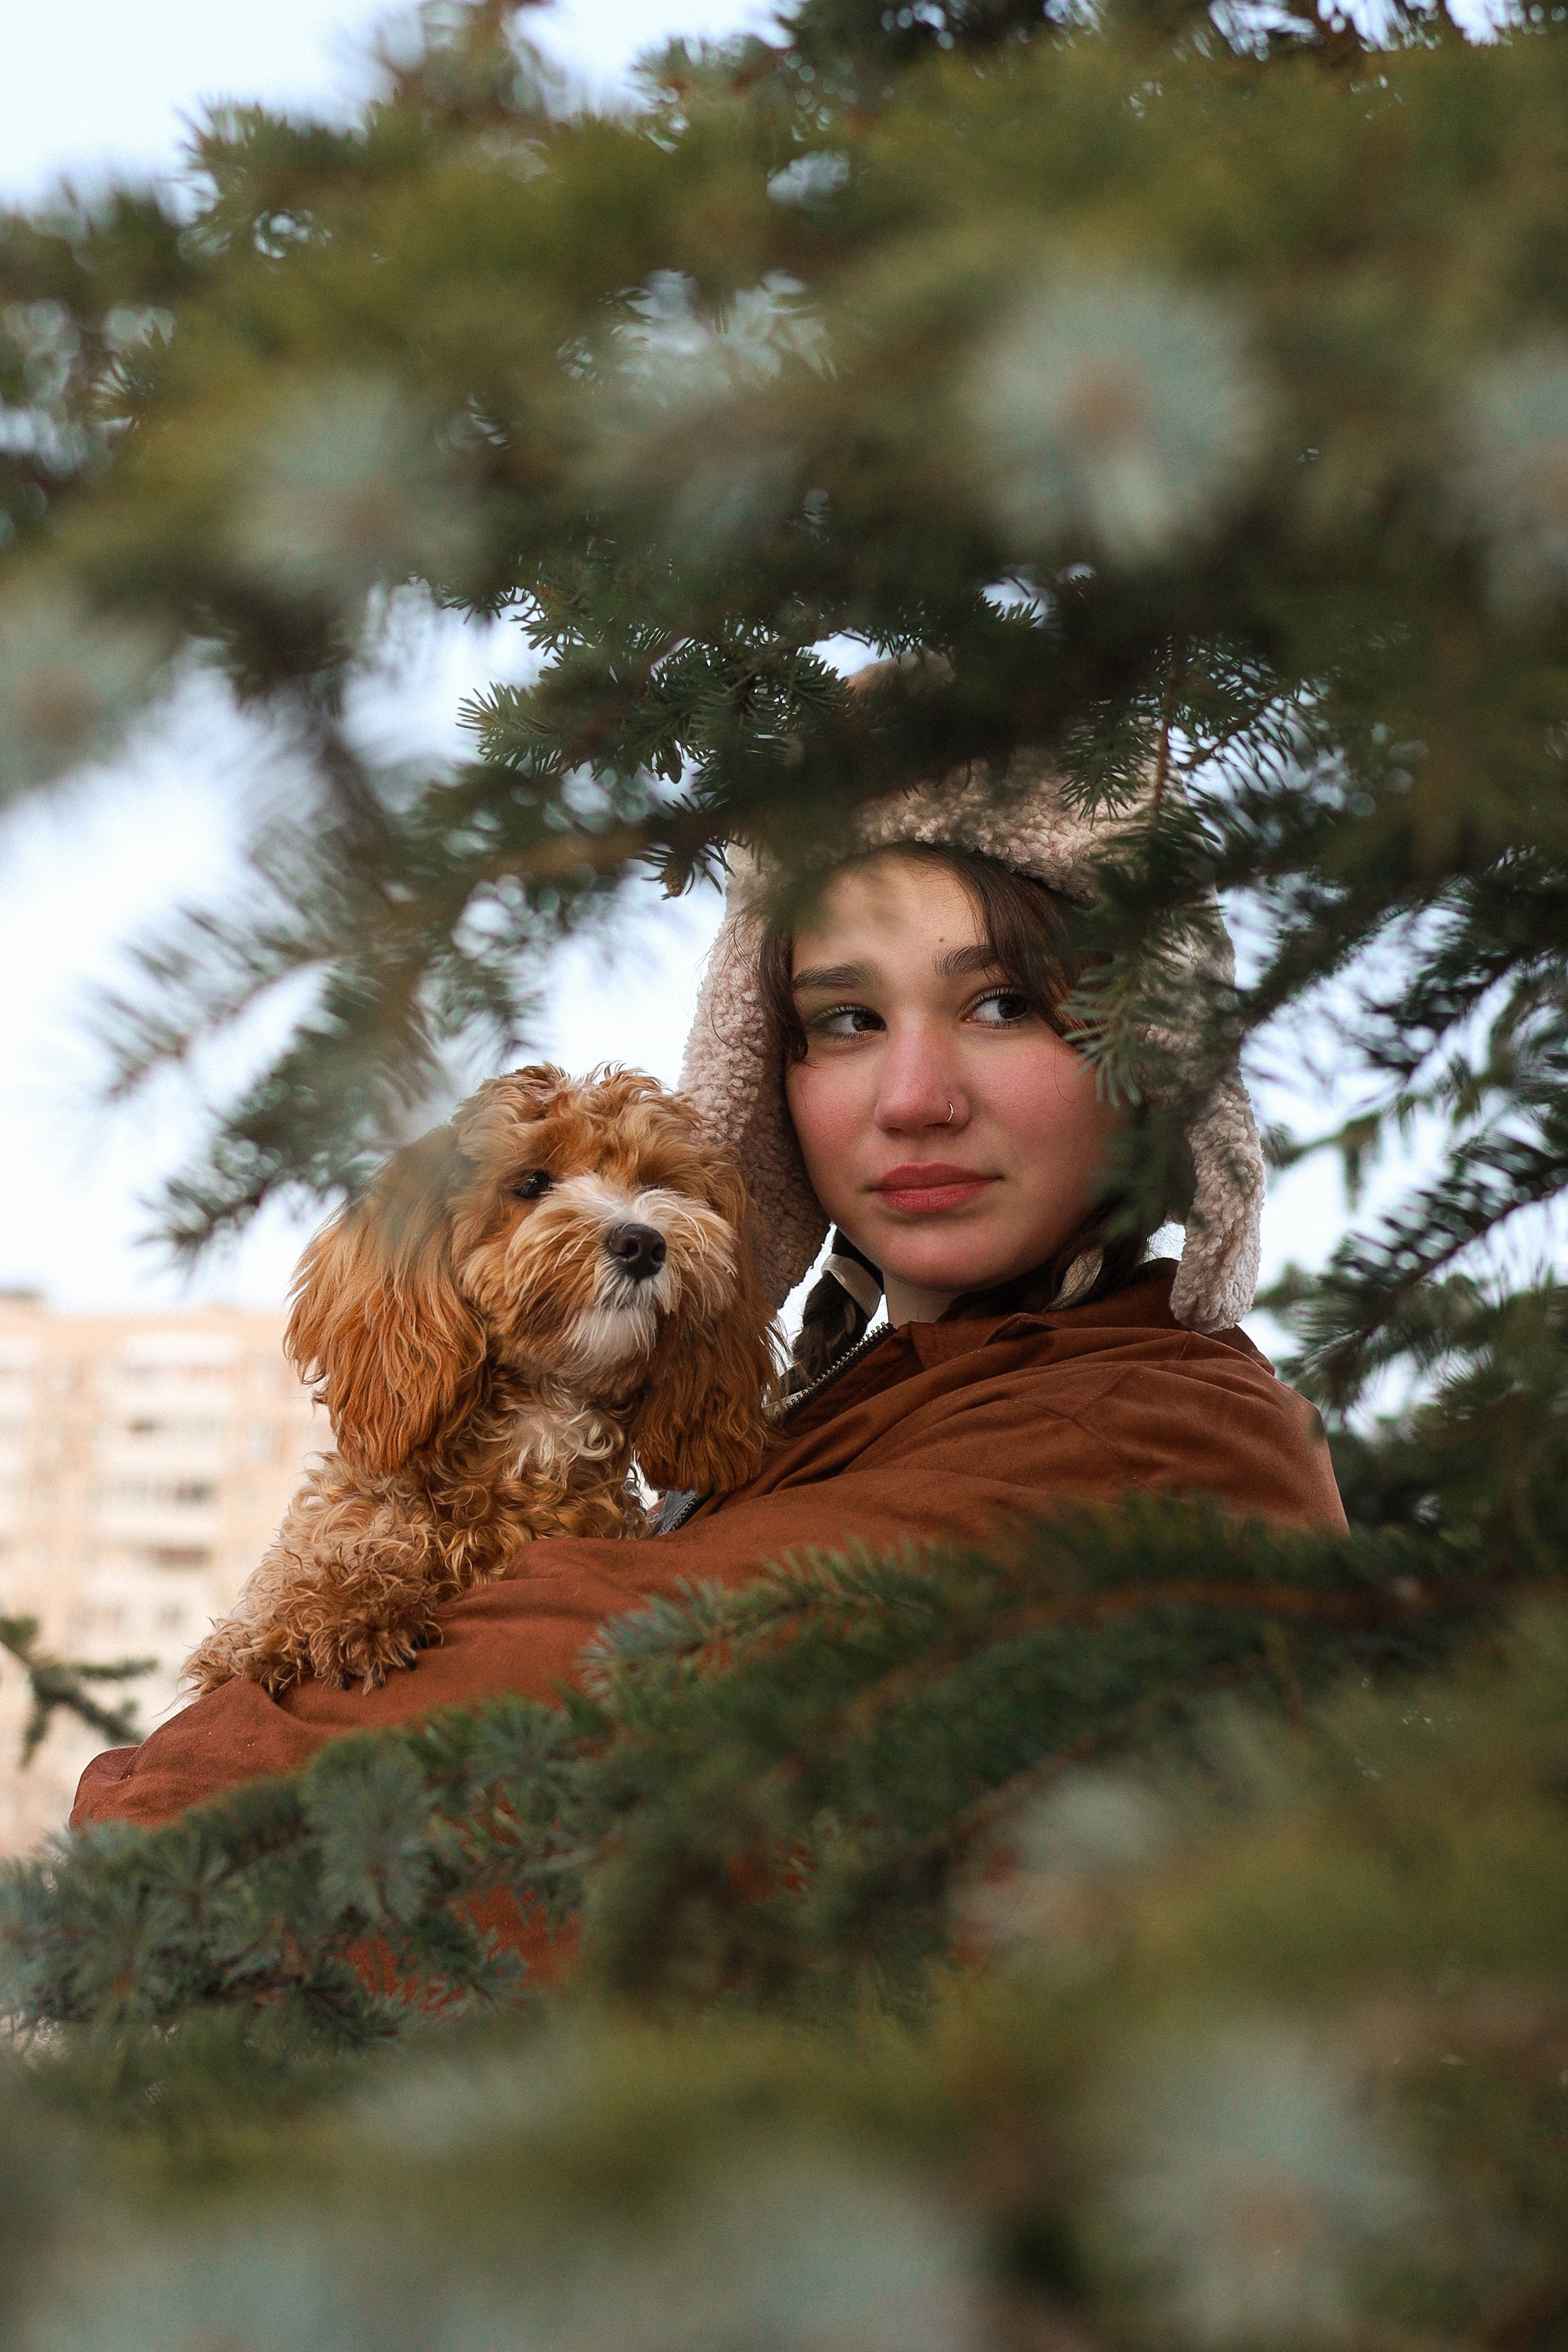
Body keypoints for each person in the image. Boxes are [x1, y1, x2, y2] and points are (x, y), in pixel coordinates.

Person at [71, 717, 1344, 1856]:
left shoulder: (1151, 1427)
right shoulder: (830, 1417)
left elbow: (608, 1677)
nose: (913, 1100)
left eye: (1003, 1003)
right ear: (765, 1075)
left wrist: (137, 1822)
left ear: (1155, 1057)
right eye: (843, 1020)